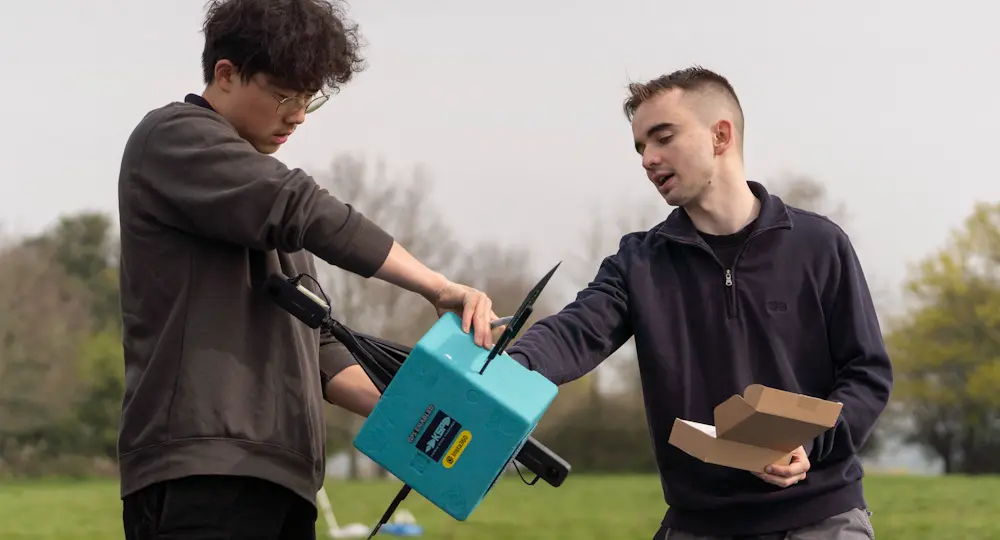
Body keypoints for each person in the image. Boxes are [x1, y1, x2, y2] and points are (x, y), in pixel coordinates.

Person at [115, 1, 499, 538]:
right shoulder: (173, 138)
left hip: (283, 481)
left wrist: (420, 418)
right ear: (225, 74)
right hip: (204, 475)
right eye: (283, 94)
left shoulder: (263, 199)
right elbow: (305, 208)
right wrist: (437, 287)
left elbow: (317, 347)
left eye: (308, 98)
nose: (296, 114)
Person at [507, 66, 893, 539]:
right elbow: (575, 331)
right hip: (700, 525)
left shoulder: (820, 245)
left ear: (720, 135)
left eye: (662, 137)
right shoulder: (637, 263)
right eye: (640, 147)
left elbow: (867, 374)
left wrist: (809, 444)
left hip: (823, 517)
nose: (648, 159)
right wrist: (506, 369)